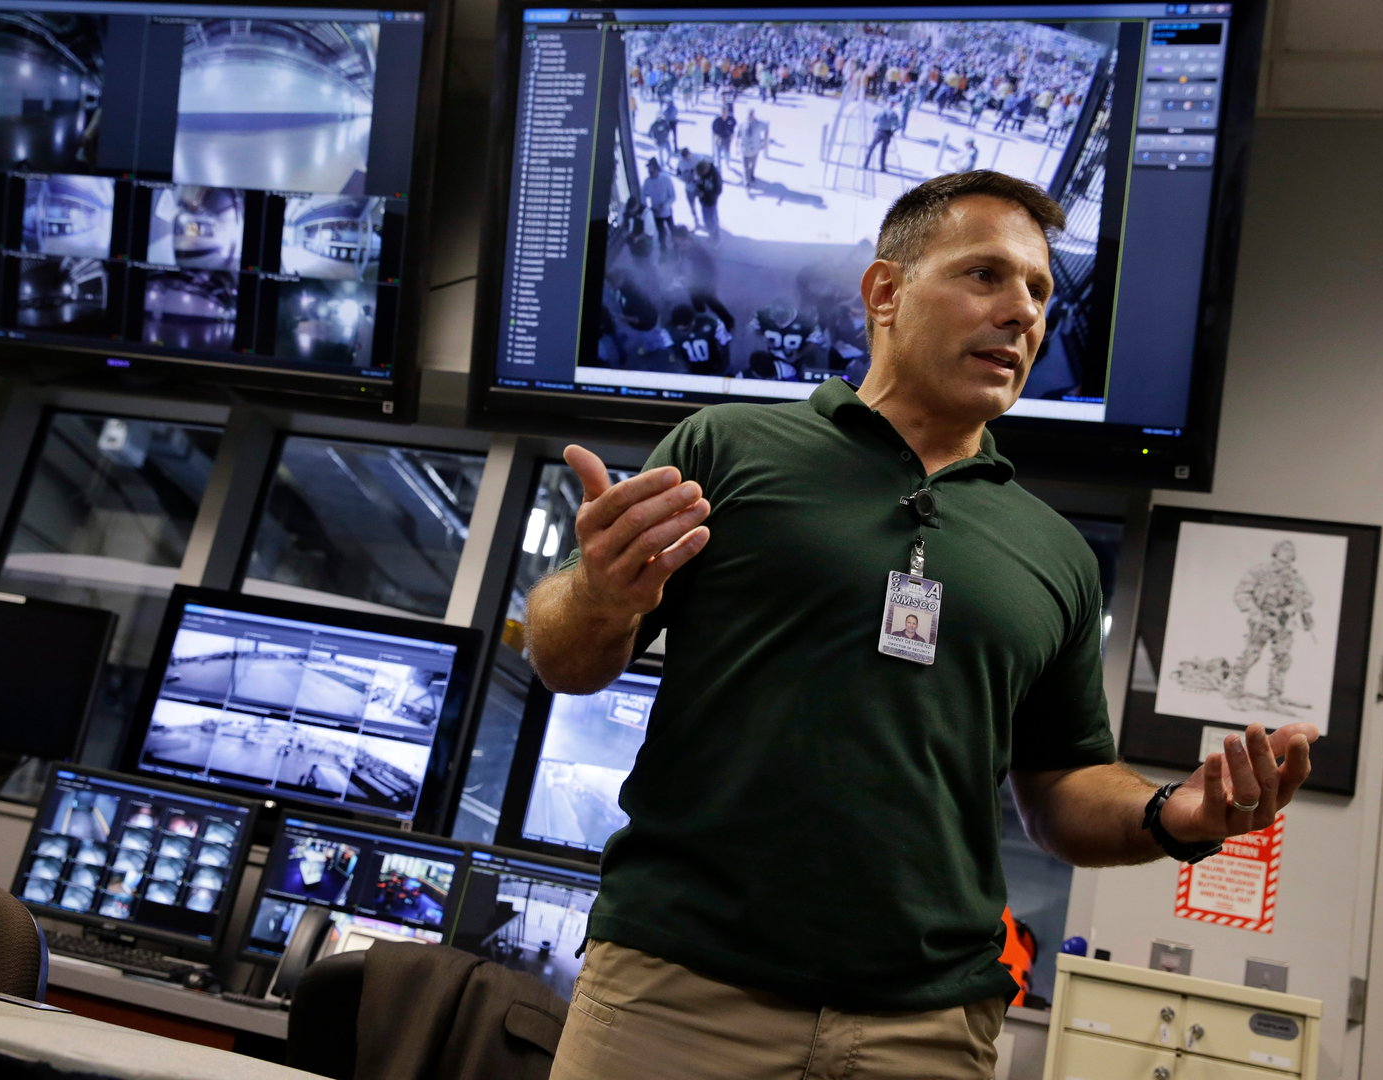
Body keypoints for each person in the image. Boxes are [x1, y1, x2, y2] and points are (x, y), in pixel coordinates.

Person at [529, 170, 1319, 1080]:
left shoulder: (1054, 556)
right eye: (986, 275)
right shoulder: (726, 451)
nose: (1023, 312)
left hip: (929, 1029)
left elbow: (1062, 785)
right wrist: (598, 592)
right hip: (679, 995)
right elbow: (564, 658)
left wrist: (1171, 814)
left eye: (1039, 292)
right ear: (885, 293)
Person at [1226, 539, 1315, 707]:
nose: (1288, 552)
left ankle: (1274, 696)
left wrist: (1292, 607)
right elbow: (1241, 593)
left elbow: (1308, 598)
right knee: (1251, 654)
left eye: (1291, 550)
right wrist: (1254, 611)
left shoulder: (1295, 577)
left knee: (1282, 659)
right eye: (1284, 549)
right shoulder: (1261, 571)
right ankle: (1235, 690)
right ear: (1276, 551)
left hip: (1284, 623)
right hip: (1262, 618)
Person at [639, 158, 676, 252]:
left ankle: (677, 248)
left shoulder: (666, 180)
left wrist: (665, 206)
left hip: (667, 212)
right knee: (661, 232)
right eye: (649, 170)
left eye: (652, 169)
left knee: (673, 230)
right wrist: (648, 208)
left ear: (656, 169)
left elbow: (672, 196)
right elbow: (643, 195)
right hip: (656, 213)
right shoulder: (647, 181)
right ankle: (663, 251)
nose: (650, 172)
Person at [691, 156, 723, 242]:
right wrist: (699, 189)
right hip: (703, 201)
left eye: (702, 173)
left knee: (713, 221)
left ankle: (716, 239)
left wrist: (705, 194)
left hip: (711, 202)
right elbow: (699, 183)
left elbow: (718, 190)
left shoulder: (715, 176)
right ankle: (711, 235)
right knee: (706, 220)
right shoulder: (702, 174)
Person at [865, 100, 901, 173]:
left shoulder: (880, 111)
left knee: (871, 148)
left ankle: (865, 164)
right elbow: (898, 126)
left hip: (879, 131)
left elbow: (874, 120)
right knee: (883, 151)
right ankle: (882, 167)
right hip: (887, 133)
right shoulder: (894, 114)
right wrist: (892, 131)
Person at [739, 109, 769, 188]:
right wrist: (737, 145)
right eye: (749, 114)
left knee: (752, 165)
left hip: (754, 150)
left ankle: (751, 175)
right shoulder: (743, 124)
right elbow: (738, 135)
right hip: (745, 149)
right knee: (745, 167)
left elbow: (766, 128)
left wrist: (765, 141)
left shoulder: (758, 124)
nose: (750, 116)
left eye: (751, 114)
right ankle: (746, 181)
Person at [710, 106, 737, 177]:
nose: (724, 113)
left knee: (727, 154)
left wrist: (732, 135)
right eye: (723, 112)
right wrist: (715, 137)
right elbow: (714, 130)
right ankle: (719, 173)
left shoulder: (731, 119)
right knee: (718, 156)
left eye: (725, 112)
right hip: (719, 139)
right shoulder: (717, 121)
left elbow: (734, 126)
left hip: (727, 139)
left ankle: (727, 164)